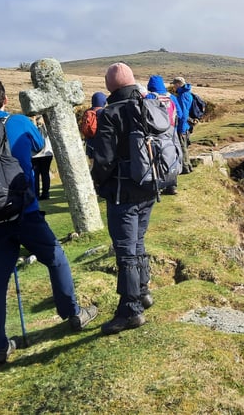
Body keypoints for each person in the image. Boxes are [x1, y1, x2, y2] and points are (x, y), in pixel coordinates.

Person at [0, 76, 98, 366]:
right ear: (5, 99)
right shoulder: (19, 123)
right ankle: (73, 314)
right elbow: (37, 145)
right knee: (56, 258)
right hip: (25, 211)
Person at [91, 62, 156, 335]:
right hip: (150, 187)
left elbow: (104, 159)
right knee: (137, 243)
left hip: (123, 192)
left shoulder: (110, 113)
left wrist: (97, 183)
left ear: (110, 86)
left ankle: (130, 310)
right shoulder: (149, 106)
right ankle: (142, 292)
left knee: (126, 252)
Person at [146, 75, 181, 195]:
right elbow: (179, 114)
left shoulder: (149, 97)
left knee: (156, 158)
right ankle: (172, 185)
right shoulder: (171, 97)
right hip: (171, 132)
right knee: (172, 155)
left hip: (155, 132)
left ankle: (158, 185)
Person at [171, 76, 193, 174]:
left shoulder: (183, 95)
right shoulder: (186, 93)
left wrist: (181, 128)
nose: (173, 86)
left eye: (174, 84)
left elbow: (183, 114)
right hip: (185, 125)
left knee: (182, 146)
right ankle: (188, 166)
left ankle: (185, 168)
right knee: (184, 146)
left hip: (183, 126)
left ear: (179, 84)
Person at [31, 115, 54, 200]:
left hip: (35, 155)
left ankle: (37, 194)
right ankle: (45, 193)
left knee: (36, 175)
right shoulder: (46, 127)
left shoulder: (34, 128)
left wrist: (33, 121)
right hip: (46, 153)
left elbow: (34, 134)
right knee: (45, 174)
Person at [83, 91, 107, 163]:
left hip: (90, 144)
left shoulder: (87, 112)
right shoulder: (104, 112)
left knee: (92, 166)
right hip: (101, 145)